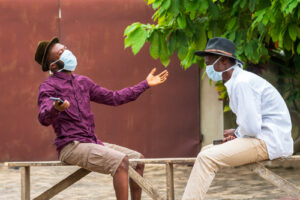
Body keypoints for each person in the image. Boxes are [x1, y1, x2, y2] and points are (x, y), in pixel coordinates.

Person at [34, 37, 169, 200]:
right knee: (121, 162)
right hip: (71, 146)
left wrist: (145, 84)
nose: (68, 52)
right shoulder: (48, 87)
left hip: (92, 142)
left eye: (66, 48)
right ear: (54, 65)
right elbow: (43, 117)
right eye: (62, 52)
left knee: (137, 160)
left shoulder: (83, 82)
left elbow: (114, 97)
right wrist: (55, 108)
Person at [182, 37, 293, 200]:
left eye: (209, 63)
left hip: (268, 141)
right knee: (206, 151)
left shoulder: (242, 83)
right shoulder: (238, 81)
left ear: (224, 61)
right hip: (263, 137)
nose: (207, 68)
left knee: (206, 158)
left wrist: (238, 134)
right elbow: (251, 124)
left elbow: (252, 128)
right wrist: (237, 132)